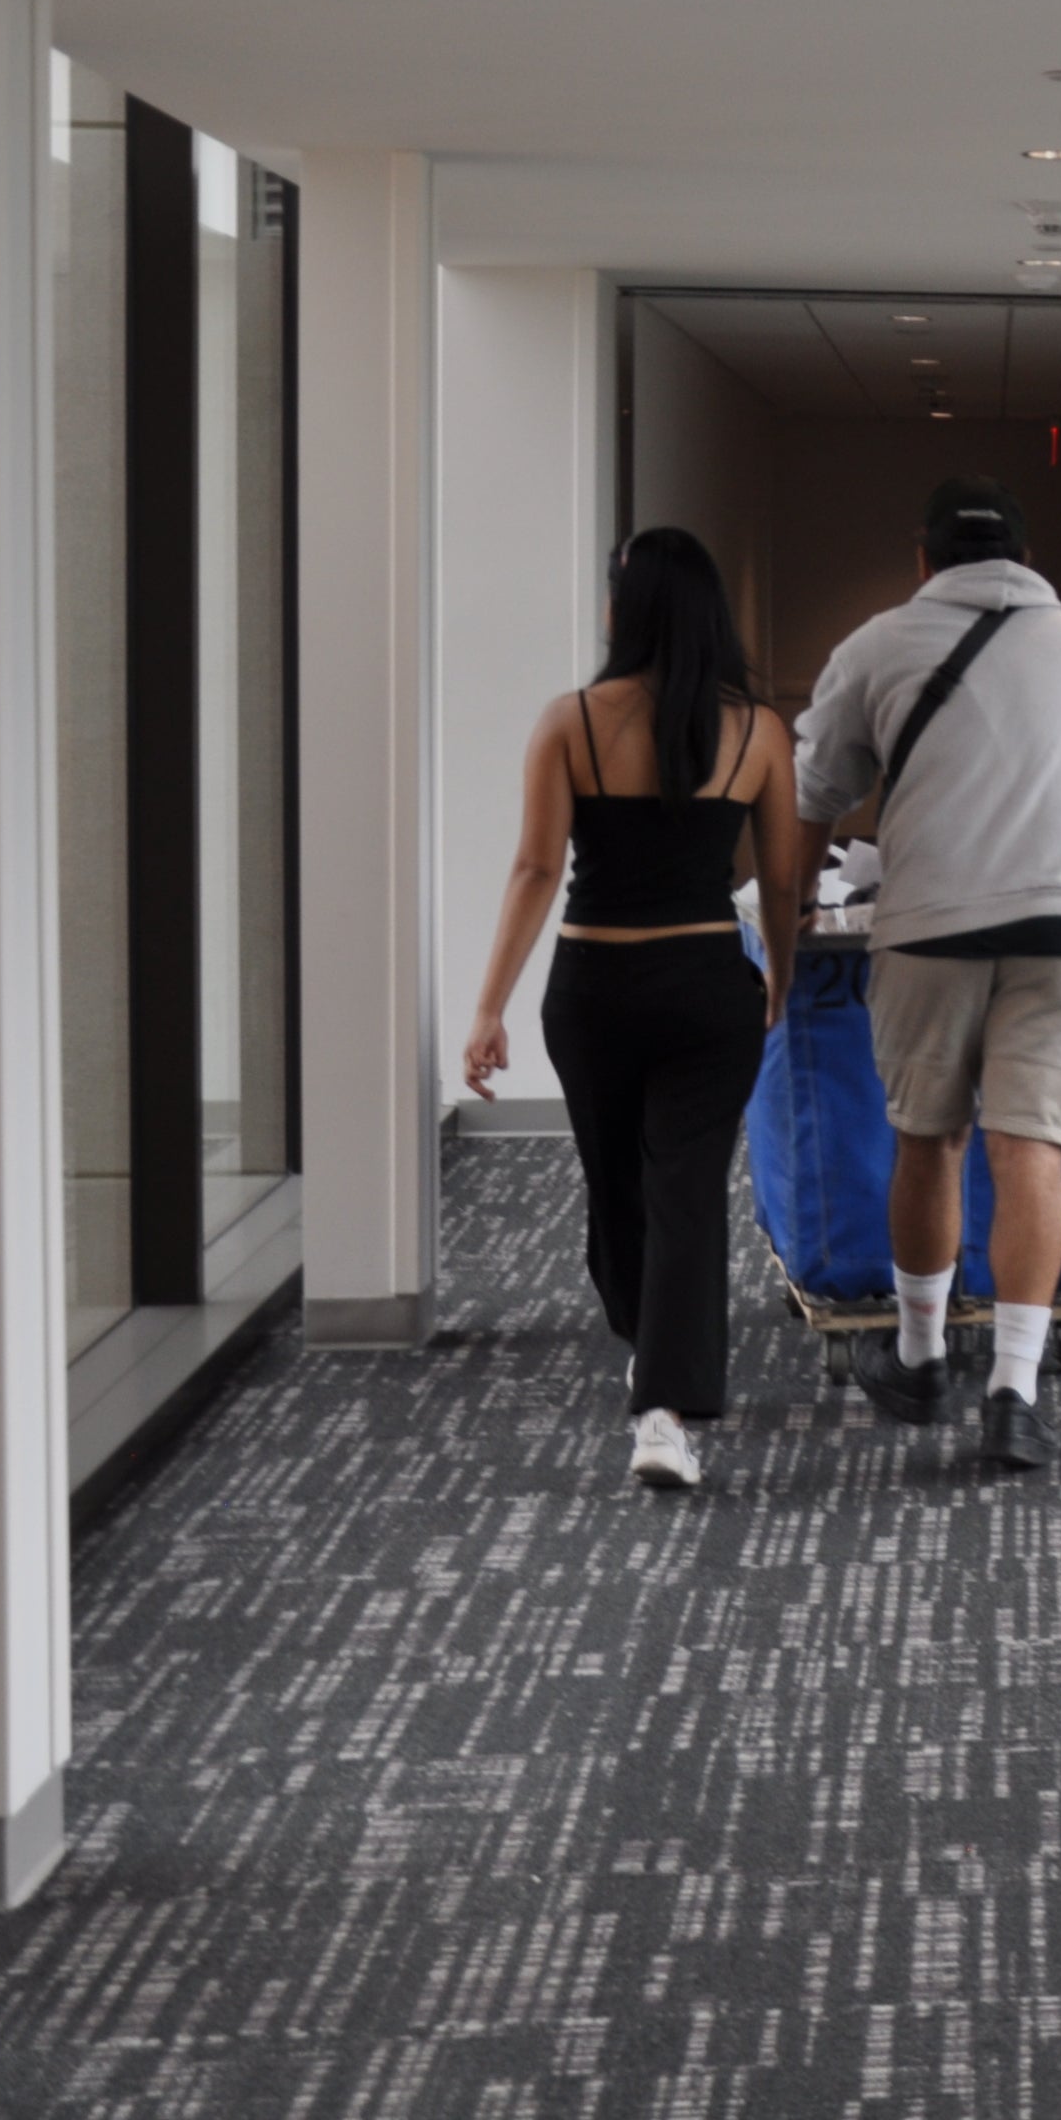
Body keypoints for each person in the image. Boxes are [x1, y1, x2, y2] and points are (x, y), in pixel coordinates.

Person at [775, 476, 1061, 1472]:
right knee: (1031, 1152)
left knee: (929, 1142)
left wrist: (793, 904)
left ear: (923, 557)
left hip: (930, 927)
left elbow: (815, 790)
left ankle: (922, 1355)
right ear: (1026, 557)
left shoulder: (876, 643)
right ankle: (1013, 1392)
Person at [460, 527, 804, 1492]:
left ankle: (658, 1395)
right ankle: (661, 1379)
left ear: (626, 609)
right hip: (705, 989)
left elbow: (535, 869)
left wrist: (489, 1008)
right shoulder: (758, 731)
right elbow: (783, 880)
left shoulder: (569, 722)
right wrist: (780, 975)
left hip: (594, 991)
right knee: (683, 1192)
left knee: (618, 1189)